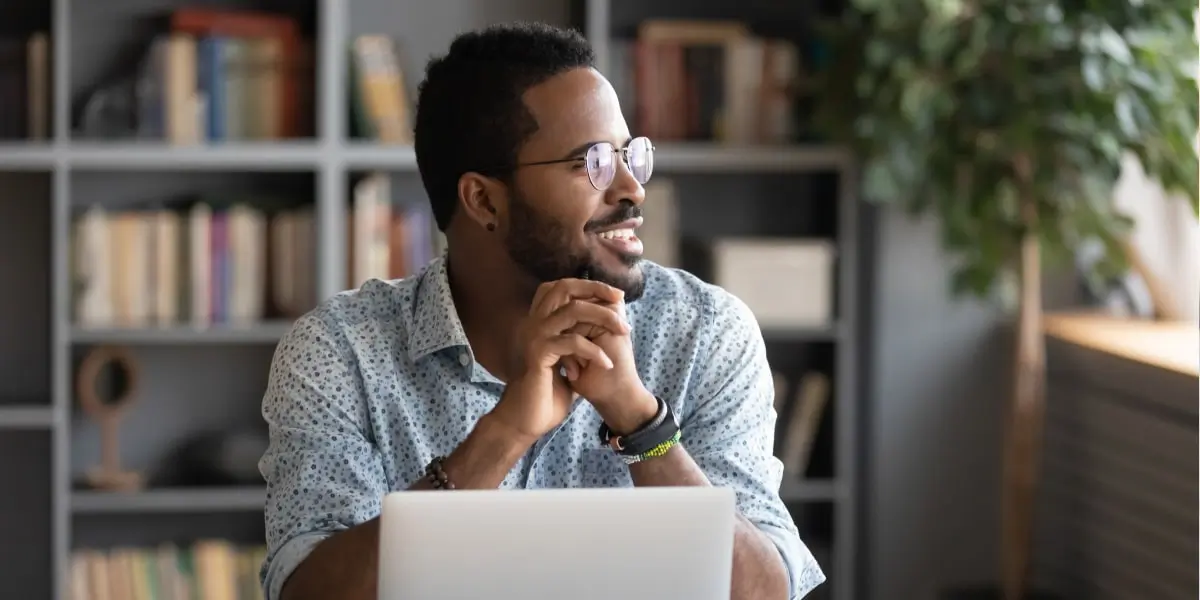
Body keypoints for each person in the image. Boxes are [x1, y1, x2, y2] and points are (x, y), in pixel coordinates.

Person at [258, 21, 826, 600]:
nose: (633, 188)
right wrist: (504, 433)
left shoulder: (704, 333)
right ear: (484, 199)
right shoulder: (341, 352)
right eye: (594, 163)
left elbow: (763, 592)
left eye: (631, 156)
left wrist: (641, 423)